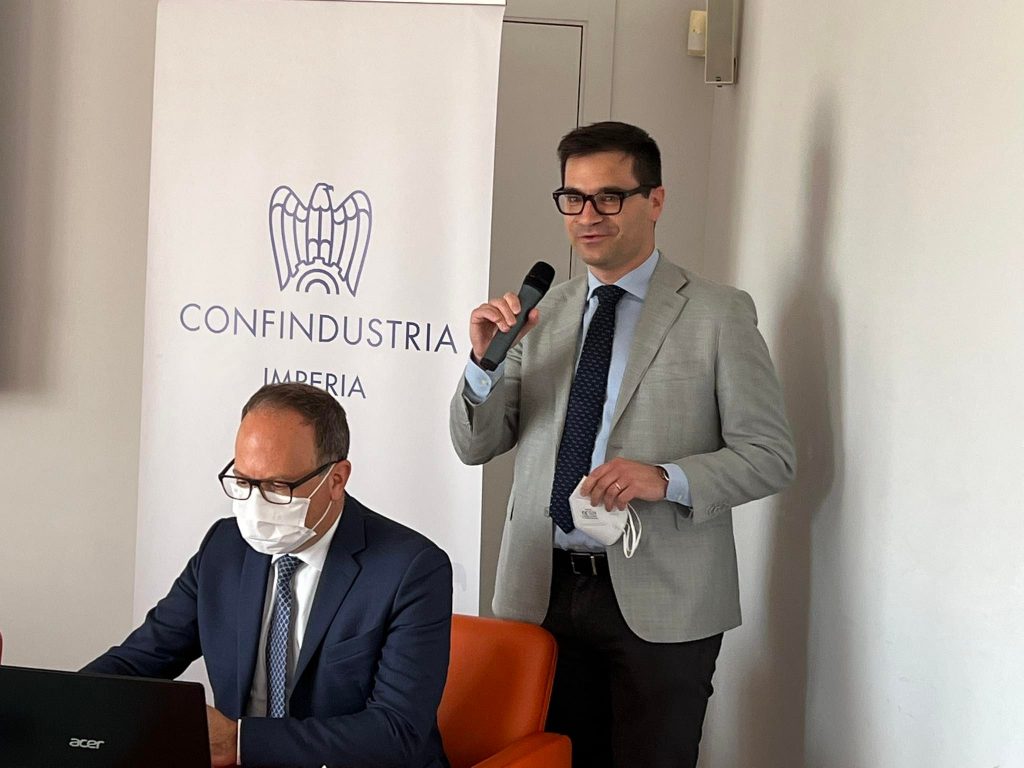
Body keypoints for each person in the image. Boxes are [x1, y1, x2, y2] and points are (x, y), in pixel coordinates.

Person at [449, 121, 796, 767]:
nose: (588, 216)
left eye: (609, 197)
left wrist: (665, 478)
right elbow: (476, 445)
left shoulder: (718, 313)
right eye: (573, 198)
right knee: (548, 760)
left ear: (654, 200)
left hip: (664, 598)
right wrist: (482, 365)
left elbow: (770, 456)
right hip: (541, 590)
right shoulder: (541, 314)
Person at [85, 383, 453, 768]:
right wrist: (61, 708)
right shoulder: (223, 548)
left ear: (336, 480)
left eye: (278, 486)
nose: (256, 505)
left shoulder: (411, 569)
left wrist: (239, 742)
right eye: (243, 482)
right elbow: (138, 662)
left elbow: (397, 732)